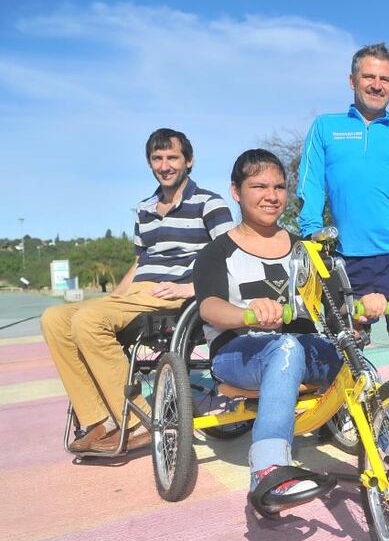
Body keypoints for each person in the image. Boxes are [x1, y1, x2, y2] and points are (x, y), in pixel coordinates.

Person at [41, 128, 234, 454]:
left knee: (88, 321)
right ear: (149, 163)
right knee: (54, 318)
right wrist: (113, 298)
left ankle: (138, 420)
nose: (165, 164)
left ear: (189, 160)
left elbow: (230, 253)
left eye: (172, 157)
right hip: (137, 292)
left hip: (172, 293)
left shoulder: (209, 203)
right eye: (157, 158)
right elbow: (139, 262)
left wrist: (190, 288)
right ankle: (97, 419)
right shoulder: (144, 208)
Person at [194, 149, 343, 516]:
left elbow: (334, 304)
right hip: (239, 354)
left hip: (302, 348)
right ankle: (268, 467)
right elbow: (208, 306)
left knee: (350, 354)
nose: (271, 195)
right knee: (285, 348)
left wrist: (362, 303)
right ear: (235, 191)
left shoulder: (304, 249)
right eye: (258, 185)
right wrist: (247, 314)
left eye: (279, 186)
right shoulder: (217, 253)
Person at [296, 42, 389, 379]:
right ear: (352, 80)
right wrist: (311, 237)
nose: (377, 84)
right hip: (347, 253)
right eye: (369, 76)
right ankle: (350, 411)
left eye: (385, 79)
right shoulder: (325, 128)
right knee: (353, 331)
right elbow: (311, 187)